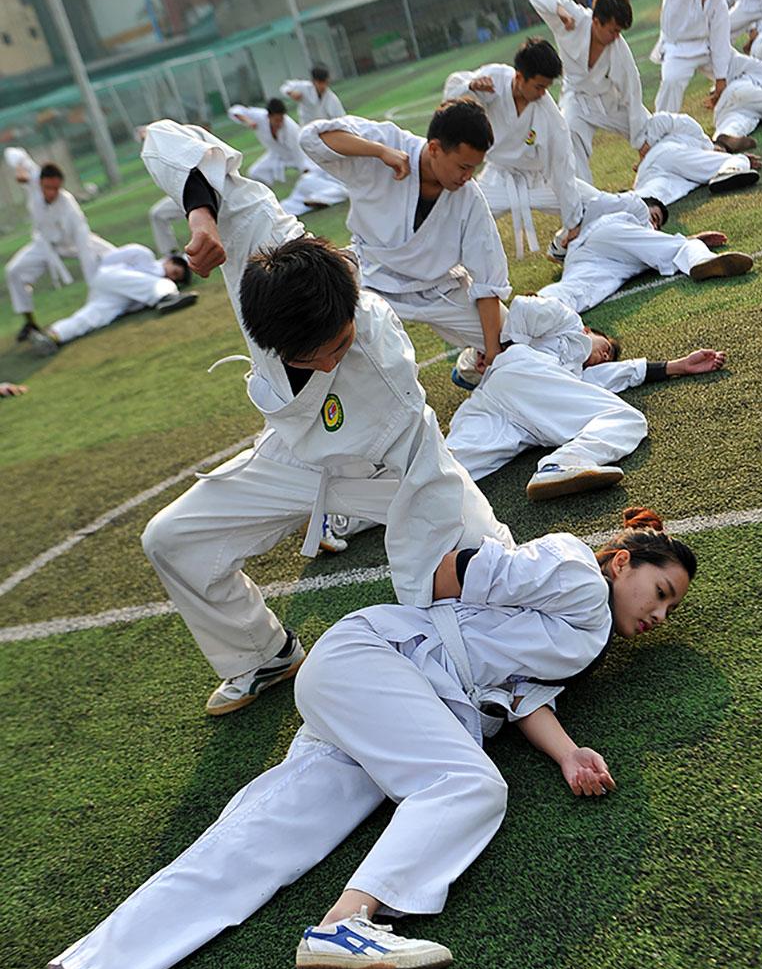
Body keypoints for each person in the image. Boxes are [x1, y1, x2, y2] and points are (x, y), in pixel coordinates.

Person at [0, 509, 697, 969]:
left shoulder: (584, 637)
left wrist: (568, 751)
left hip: (392, 703)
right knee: (471, 784)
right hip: (384, 662)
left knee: (249, 847)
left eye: (672, 608)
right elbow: (464, 568)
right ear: (623, 561)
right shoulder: (577, 570)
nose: (661, 613)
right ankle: (349, 922)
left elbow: (517, 690)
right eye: (660, 589)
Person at [138, 120, 511, 716]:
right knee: (170, 540)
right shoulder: (262, 246)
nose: (338, 354)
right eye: (321, 353)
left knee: (485, 579)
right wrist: (201, 219)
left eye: (342, 342)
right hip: (294, 452)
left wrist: (437, 574)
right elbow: (171, 141)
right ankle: (263, 653)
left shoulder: (377, 355)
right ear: (280, 346)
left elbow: (425, 477)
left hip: (389, 471)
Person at [446, 293, 726, 499]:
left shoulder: (575, 374)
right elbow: (521, 310)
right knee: (625, 419)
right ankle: (562, 463)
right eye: (607, 347)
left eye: (609, 358)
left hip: (502, 407)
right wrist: (495, 349)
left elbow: (622, 373)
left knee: (449, 468)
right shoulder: (567, 322)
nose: (606, 356)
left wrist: (679, 365)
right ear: (588, 331)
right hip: (518, 373)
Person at [299, 100, 510, 363]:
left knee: (511, 342)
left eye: (474, 168)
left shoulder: (469, 198)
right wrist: (380, 152)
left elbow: (487, 279)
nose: (468, 176)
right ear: (434, 148)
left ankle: (470, 366)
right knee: (340, 348)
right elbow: (312, 138)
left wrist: (493, 351)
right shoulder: (389, 143)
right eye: (463, 166)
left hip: (440, 288)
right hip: (372, 278)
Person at [443, 38, 584, 259]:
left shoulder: (550, 115)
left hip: (538, 179)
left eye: (546, 88)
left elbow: (561, 166)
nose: (542, 94)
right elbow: (451, 95)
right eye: (538, 86)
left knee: (588, 205)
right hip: (496, 177)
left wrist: (573, 222)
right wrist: (469, 88)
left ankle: (561, 246)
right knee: (460, 216)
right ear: (519, 77)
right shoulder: (494, 80)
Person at [536, 186, 753, 315]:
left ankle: (536, 306)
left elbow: (554, 252)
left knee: (580, 289)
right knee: (683, 247)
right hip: (612, 232)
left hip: (587, 256)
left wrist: (568, 233)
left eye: (657, 225)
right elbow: (598, 200)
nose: (654, 225)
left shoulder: (584, 223)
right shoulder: (634, 206)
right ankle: (701, 260)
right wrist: (689, 240)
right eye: (655, 218)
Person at [526, 0, 649, 181]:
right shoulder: (571, 17)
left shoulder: (618, 47)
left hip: (609, 99)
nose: (616, 36)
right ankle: (587, 199)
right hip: (576, 97)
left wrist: (640, 141)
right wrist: (560, 10)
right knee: (569, 137)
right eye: (613, 30)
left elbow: (632, 93)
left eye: (619, 31)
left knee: (651, 133)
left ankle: (654, 173)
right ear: (597, 21)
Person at [3, 149, 114, 342]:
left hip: (72, 243)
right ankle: (30, 322)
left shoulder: (69, 205)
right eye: (48, 188)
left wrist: (92, 286)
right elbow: (13, 152)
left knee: (114, 255)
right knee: (14, 271)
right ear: (40, 183)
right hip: (44, 245)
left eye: (56, 188)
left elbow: (82, 242)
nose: (52, 193)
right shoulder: (33, 181)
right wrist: (20, 168)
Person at [25, 244, 195, 355]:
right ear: (170, 260)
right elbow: (110, 259)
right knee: (160, 284)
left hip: (118, 296)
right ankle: (169, 298)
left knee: (93, 317)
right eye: (175, 272)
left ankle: (53, 336)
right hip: (111, 276)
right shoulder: (144, 256)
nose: (172, 277)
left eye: (176, 279)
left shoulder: (157, 281)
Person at [652, 0, 739, 112]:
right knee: (671, 81)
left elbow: (720, 41)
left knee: (746, 68)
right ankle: (660, 130)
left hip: (704, 49)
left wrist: (721, 79)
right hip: (676, 49)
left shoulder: (718, 1)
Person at [633, 110, 760, 206]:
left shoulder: (697, 165)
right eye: (723, 150)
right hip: (669, 152)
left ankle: (618, 205)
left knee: (656, 195)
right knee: (739, 159)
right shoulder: (697, 135)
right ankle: (731, 170)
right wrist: (646, 146)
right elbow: (662, 120)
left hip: (647, 175)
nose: (721, 153)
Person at [227, 98, 310, 187]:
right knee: (255, 173)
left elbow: (298, 151)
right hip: (275, 155)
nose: (280, 123)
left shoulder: (291, 128)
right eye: (277, 120)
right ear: (269, 116)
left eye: (281, 119)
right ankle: (267, 196)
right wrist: (248, 121)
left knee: (311, 176)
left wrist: (304, 170)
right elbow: (235, 110)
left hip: (297, 156)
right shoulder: (260, 116)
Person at [280, 65, 346, 125]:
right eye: (320, 82)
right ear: (313, 81)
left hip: (324, 128)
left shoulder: (331, 98)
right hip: (306, 125)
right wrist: (291, 93)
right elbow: (285, 87)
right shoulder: (304, 87)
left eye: (325, 82)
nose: (323, 86)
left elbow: (341, 117)